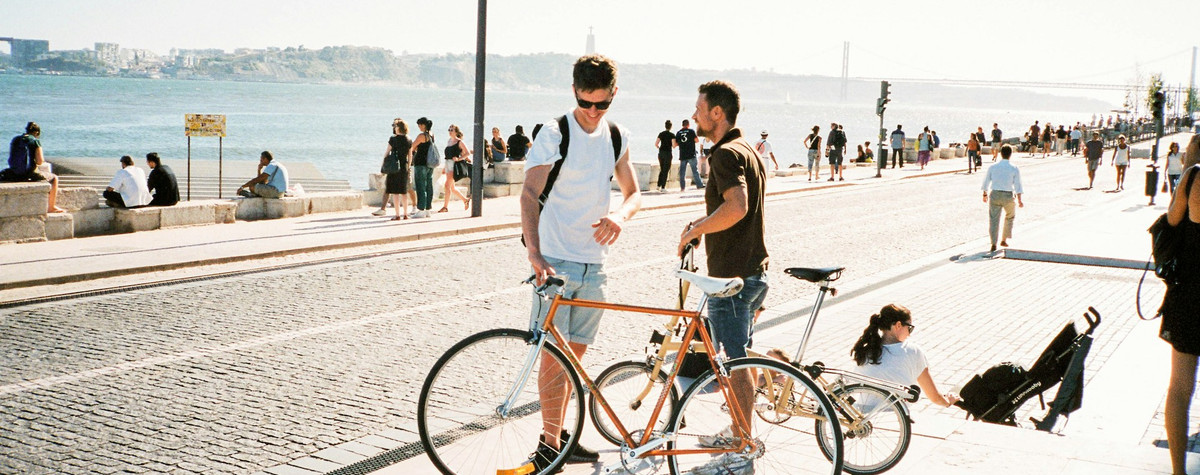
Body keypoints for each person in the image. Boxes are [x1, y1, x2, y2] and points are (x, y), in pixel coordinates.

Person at [520, 54, 641, 470]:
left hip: (595, 264)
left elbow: (634, 193)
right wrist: (534, 254)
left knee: (574, 361)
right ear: (574, 91)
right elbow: (528, 194)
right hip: (555, 261)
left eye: (602, 104)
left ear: (613, 96)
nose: (593, 112)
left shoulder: (616, 135)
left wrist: (620, 217)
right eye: (586, 102)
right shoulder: (555, 133)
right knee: (554, 360)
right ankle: (548, 446)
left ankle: (561, 441)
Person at [678, 80, 769, 452]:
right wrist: (702, 227)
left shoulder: (724, 154)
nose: (695, 114)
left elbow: (737, 206)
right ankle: (738, 429)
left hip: (731, 278)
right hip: (753, 270)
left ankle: (741, 438)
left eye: (699, 108)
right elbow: (733, 210)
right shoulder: (747, 149)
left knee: (734, 362)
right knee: (739, 355)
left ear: (718, 113)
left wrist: (693, 231)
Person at [1160, 134, 1200, 475]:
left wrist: (1189, 166)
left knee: (1180, 386)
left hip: (1191, 292)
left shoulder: (1193, 177)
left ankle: (1178, 470)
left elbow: (1172, 221)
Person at [852, 304, 960, 408]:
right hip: (896, 418)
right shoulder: (912, 351)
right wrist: (948, 402)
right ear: (898, 325)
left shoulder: (865, 351)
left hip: (862, 419)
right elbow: (934, 396)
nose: (909, 334)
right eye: (910, 328)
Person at [2, 122, 65, 213]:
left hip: (14, 173)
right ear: (36, 133)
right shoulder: (35, 141)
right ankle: (51, 207)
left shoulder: (15, 140)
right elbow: (40, 161)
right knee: (54, 178)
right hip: (28, 174)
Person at [981, 145, 1024, 253]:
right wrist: (1019, 199)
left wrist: (985, 194)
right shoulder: (1014, 168)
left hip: (994, 194)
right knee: (1010, 216)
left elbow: (986, 181)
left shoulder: (993, 167)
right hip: (1008, 195)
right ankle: (1004, 239)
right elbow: (1018, 184)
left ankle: (993, 243)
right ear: (1010, 155)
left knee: (994, 219)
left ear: (1000, 154)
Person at [376, 119, 412, 220]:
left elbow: (387, 153)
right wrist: (408, 166)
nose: (394, 128)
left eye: (395, 127)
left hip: (394, 168)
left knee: (395, 193)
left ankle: (397, 215)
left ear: (399, 128)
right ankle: (405, 214)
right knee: (404, 192)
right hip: (404, 167)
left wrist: (383, 165)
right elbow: (410, 155)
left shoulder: (393, 139)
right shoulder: (408, 139)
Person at [440, 124, 471, 212]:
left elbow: (467, 153)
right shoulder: (449, 141)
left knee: (447, 186)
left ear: (456, 132)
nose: (450, 131)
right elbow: (447, 156)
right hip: (448, 164)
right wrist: (444, 167)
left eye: (452, 130)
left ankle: (445, 207)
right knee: (452, 187)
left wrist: (459, 159)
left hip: (454, 166)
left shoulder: (459, 142)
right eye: (449, 130)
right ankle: (465, 200)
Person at [410, 117, 437, 218]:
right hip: (430, 163)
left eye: (419, 125)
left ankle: (421, 209)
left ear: (423, 125)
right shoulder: (431, 135)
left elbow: (412, 146)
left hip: (421, 163)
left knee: (420, 186)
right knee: (428, 185)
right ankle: (428, 209)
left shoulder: (422, 136)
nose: (418, 127)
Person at [676, 119, 704, 191]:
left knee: (682, 172)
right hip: (691, 154)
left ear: (682, 125)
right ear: (688, 125)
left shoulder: (679, 133)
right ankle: (699, 185)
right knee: (695, 171)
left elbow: (676, 143)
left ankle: (682, 187)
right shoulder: (691, 131)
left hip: (682, 155)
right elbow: (696, 140)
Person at [654, 120, 675, 192]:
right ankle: (663, 187)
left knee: (662, 169)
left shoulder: (661, 134)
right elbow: (674, 145)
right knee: (666, 170)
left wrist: (659, 147)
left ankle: (658, 185)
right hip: (668, 153)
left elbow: (656, 144)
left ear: (665, 126)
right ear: (671, 127)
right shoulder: (672, 135)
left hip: (661, 153)